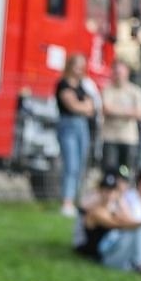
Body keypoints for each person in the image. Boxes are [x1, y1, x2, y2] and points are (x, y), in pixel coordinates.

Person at [55, 52, 96, 217]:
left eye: (82, 66)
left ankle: (77, 200)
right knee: (71, 164)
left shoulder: (83, 85)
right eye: (76, 65)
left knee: (80, 165)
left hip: (82, 126)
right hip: (68, 126)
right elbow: (73, 106)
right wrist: (83, 106)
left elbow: (91, 106)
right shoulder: (63, 84)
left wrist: (83, 106)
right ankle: (67, 201)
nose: (79, 69)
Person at [100, 60, 141, 178]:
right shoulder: (107, 90)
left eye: (120, 72)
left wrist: (115, 110)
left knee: (126, 171)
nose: (117, 75)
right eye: (116, 72)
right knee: (109, 173)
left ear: (127, 73)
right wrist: (128, 111)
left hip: (129, 139)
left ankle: (124, 189)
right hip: (110, 138)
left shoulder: (135, 91)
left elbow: (140, 114)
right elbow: (106, 109)